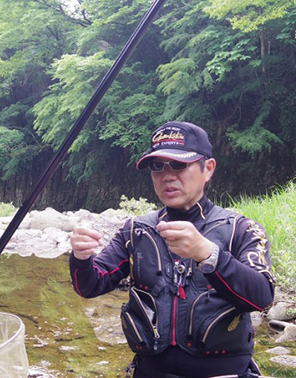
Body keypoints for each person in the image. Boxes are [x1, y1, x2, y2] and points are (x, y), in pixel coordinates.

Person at [69, 121, 275, 378]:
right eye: (158, 166)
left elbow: (262, 296)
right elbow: (89, 285)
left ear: (208, 169)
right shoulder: (135, 230)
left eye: (179, 164)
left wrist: (209, 254)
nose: (167, 175)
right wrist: (81, 256)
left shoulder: (242, 229)